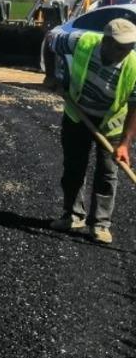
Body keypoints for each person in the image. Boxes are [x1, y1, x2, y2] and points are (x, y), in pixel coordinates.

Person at [48, 16, 136, 244]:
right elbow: (50, 41)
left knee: (108, 173)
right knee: (74, 166)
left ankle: (99, 225)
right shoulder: (82, 42)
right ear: (105, 41)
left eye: (129, 46)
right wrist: (50, 75)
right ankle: (72, 216)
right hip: (78, 115)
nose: (125, 51)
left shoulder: (134, 65)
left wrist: (125, 144)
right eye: (120, 47)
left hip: (111, 124)